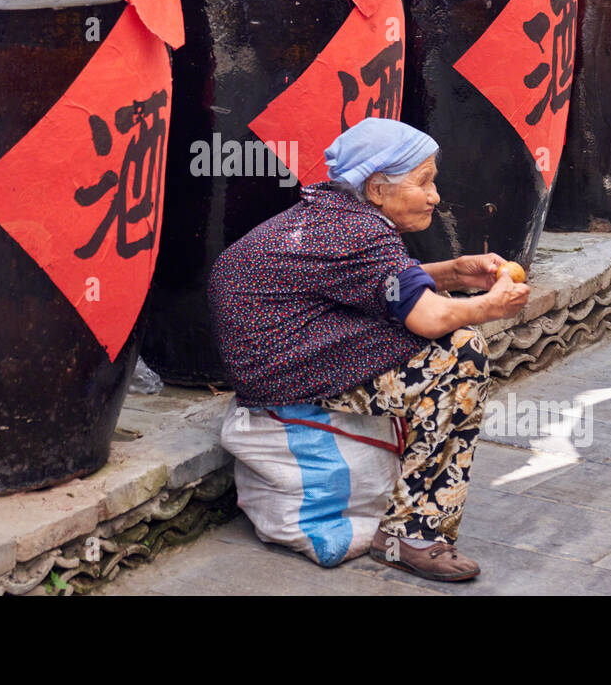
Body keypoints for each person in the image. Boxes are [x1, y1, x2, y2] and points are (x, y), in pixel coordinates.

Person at [207, 118, 530, 581]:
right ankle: (412, 533)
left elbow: (389, 284)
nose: (436, 196)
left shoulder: (336, 211)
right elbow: (427, 317)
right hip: (283, 374)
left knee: (447, 338)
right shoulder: (358, 232)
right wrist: (491, 305)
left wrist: (457, 274)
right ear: (377, 189)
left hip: (290, 350)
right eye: (425, 182)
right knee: (460, 350)